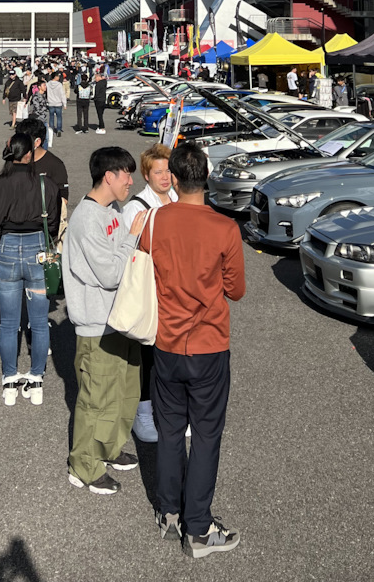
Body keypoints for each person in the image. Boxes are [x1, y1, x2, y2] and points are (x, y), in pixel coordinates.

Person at [145, 141, 245, 557]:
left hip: (165, 341)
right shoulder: (224, 228)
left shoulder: (154, 221)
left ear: (174, 177)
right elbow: (236, 290)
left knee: (169, 431)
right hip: (207, 342)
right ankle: (198, 529)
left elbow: (141, 270)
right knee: (205, 436)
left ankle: (169, 512)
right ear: (206, 176)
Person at [62, 146, 147, 495]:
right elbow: (111, 272)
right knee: (96, 400)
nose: (131, 180)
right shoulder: (86, 218)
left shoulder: (112, 209)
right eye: (126, 173)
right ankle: (83, 466)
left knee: (124, 394)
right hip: (96, 325)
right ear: (108, 177)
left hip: (120, 320)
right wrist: (132, 238)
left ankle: (109, 449)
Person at [0, 131, 61, 406]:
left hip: (7, 247)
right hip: (38, 248)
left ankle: (9, 380)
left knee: (9, 322)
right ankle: (37, 379)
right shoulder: (45, 184)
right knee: (39, 322)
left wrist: (0, 238)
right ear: (29, 154)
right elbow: (53, 223)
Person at [120, 143, 178, 443]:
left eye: (169, 170)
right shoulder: (136, 208)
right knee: (147, 355)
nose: (165, 177)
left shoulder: (180, 199)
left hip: (178, 291)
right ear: (146, 174)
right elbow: (127, 254)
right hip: (150, 291)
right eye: (159, 172)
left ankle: (173, 412)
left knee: (175, 355)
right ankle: (143, 413)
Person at [46, 72, 66, 140]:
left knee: (51, 117)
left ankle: (51, 130)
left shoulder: (48, 84)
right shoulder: (59, 84)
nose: (59, 77)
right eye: (58, 76)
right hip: (58, 103)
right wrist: (64, 103)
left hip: (51, 102)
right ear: (55, 77)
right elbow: (62, 94)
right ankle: (59, 130)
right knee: (59, 117)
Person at [92, 67, 108, 135]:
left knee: (100, 115)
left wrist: (94, 99)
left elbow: (97, 93)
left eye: (96, 78)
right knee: (101, 114)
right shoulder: (104, 82)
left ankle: (102, 127)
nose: (95, 79)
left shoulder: (98, 84)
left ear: (98, 77)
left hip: (98, 100)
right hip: (103, 100)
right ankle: (100, 126)